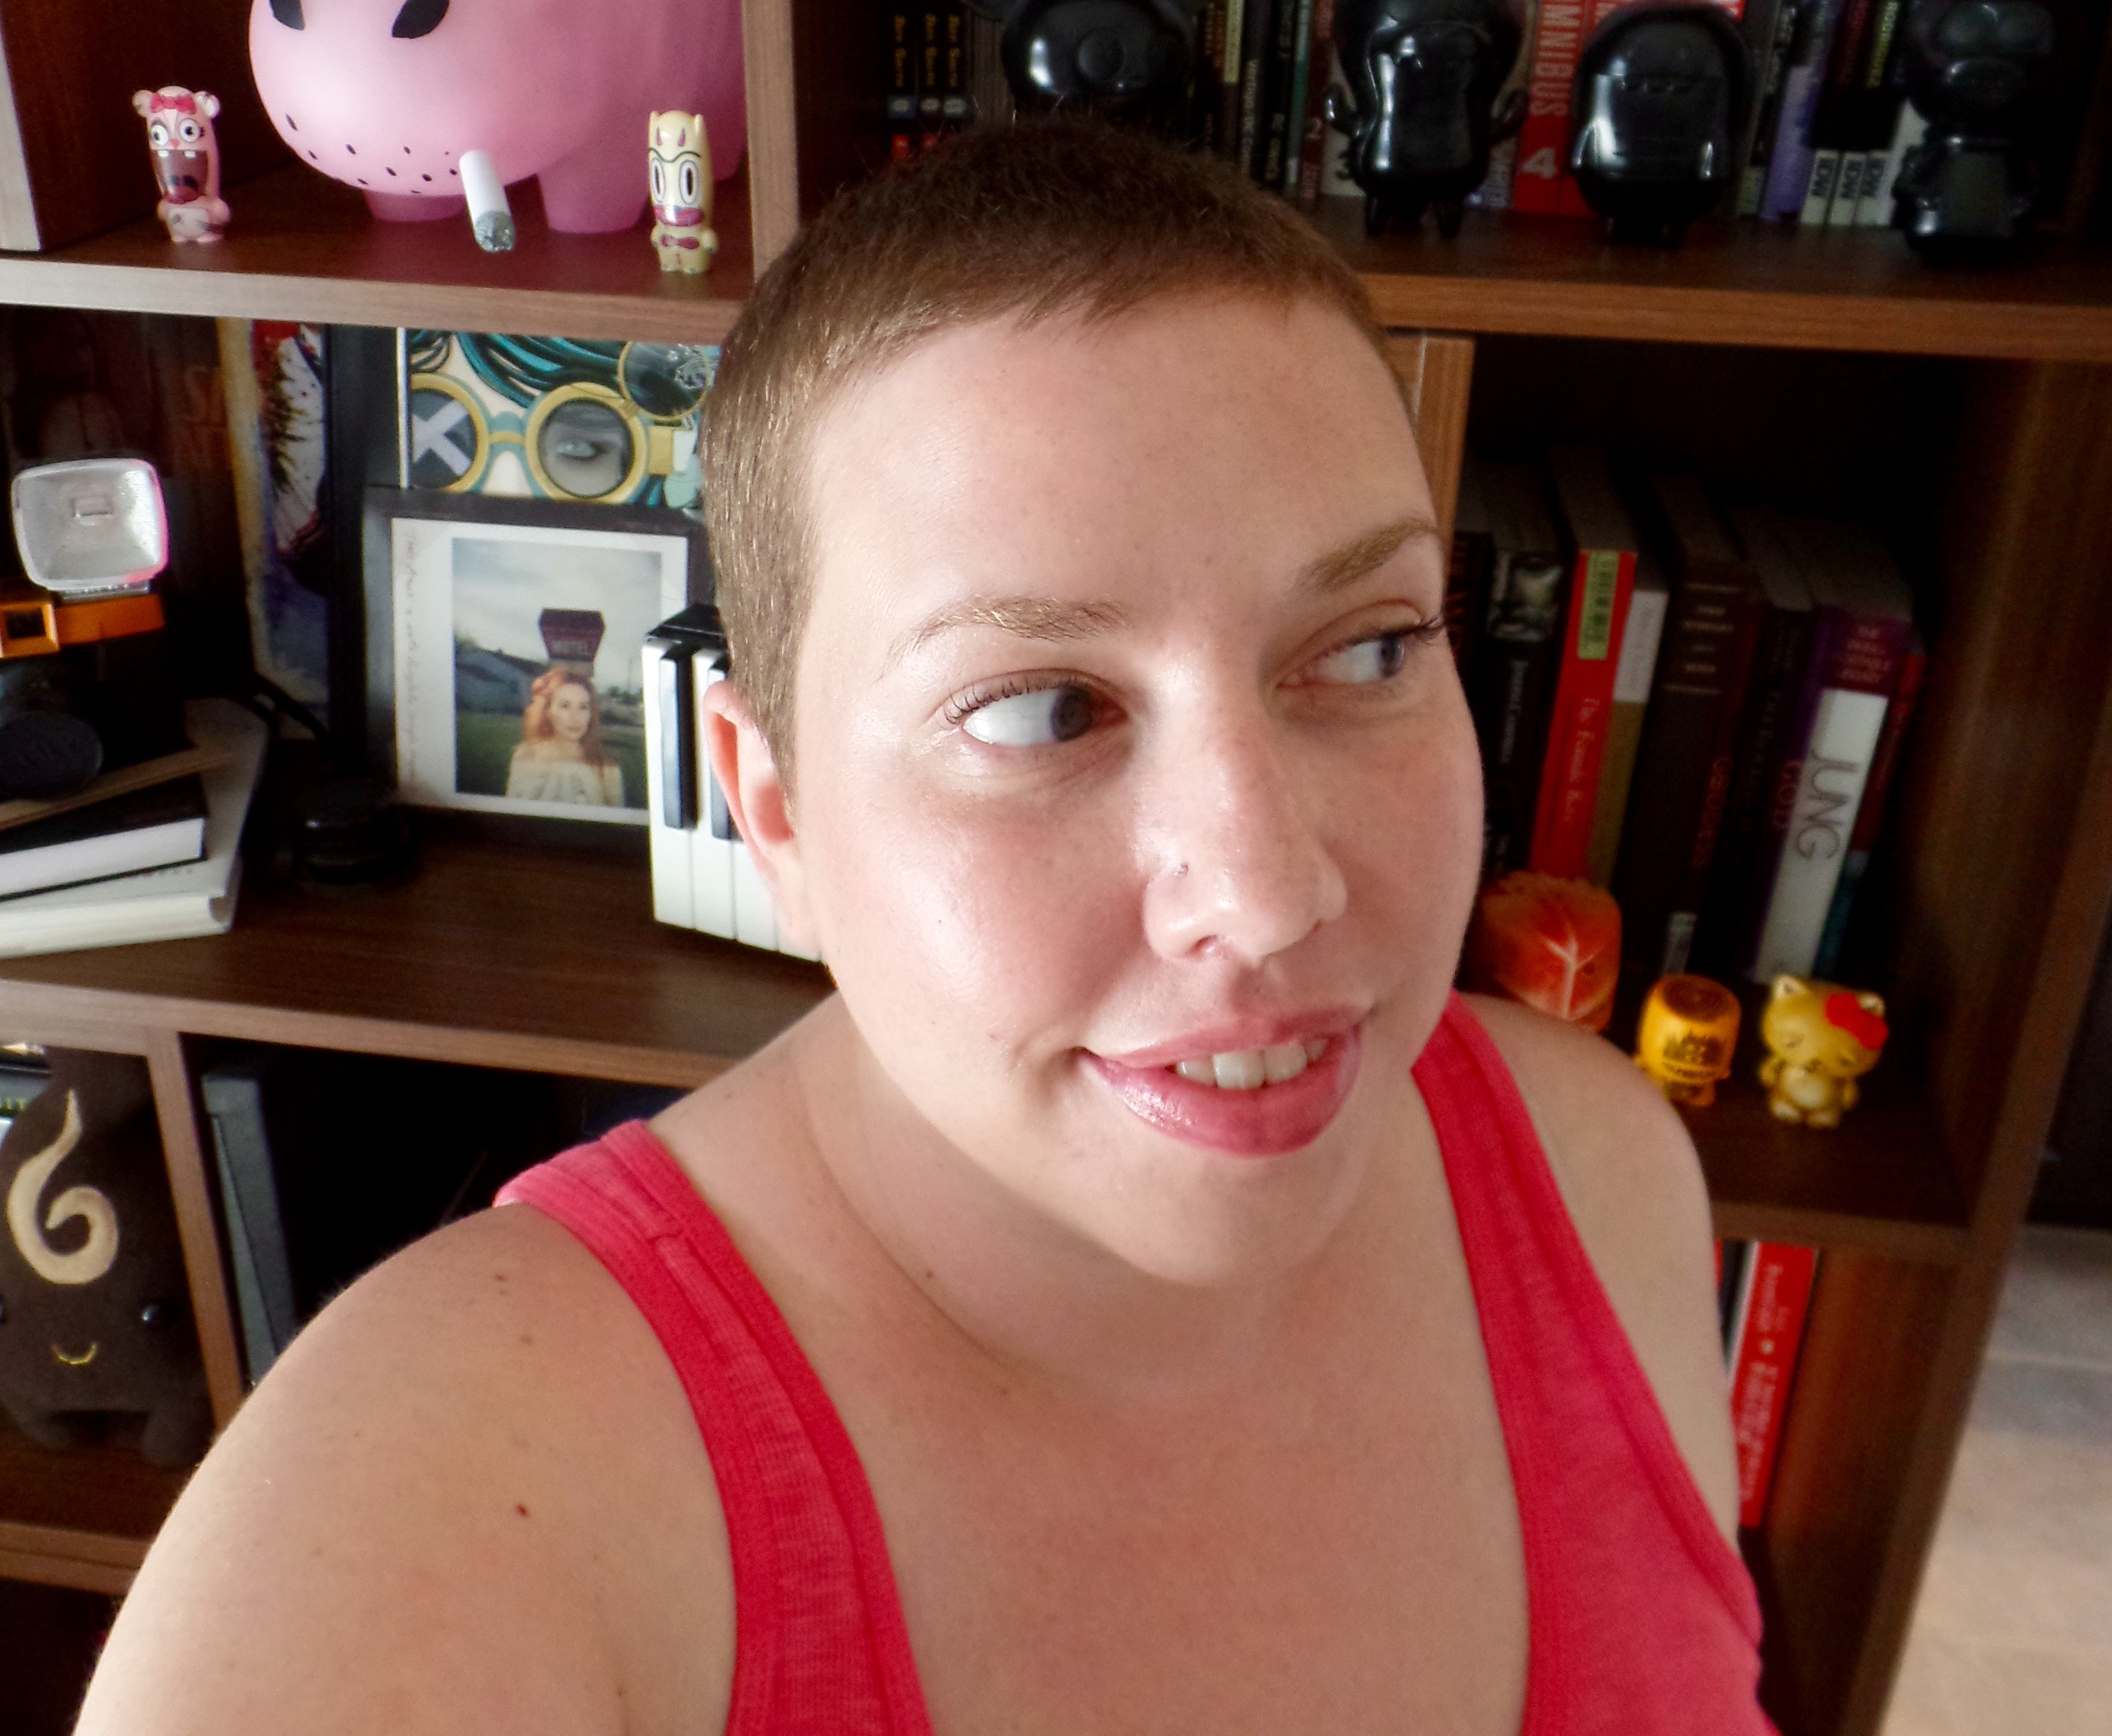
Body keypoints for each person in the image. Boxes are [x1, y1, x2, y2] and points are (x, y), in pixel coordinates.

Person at [79, 120, 1769, 1735]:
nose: (1267, 891)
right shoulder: (457, 1482)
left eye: (1371, 647)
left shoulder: (1601, 1171)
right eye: (1041, 709)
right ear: (775, 808)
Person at [504, 665, 625, 807]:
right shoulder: (527, 756)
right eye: (565, 706)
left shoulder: (606, 765)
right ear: (548, 712)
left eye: (583, 707)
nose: (575, 717)